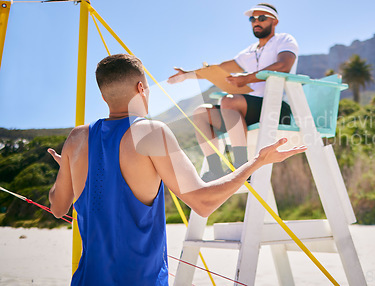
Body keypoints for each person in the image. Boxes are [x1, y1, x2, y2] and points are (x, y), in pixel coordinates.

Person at [47, 54, 306, 286]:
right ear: (141, 88)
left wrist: (67, 171)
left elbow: (58, 208)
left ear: (104, 96)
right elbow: (203, 202)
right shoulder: (150, 132)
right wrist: (257, 161)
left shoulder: (77, 138)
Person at [168, 3, 299, 182]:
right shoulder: (250, 51)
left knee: (228, 101)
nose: (256, 22)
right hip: (242, 110)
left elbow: (284, 65)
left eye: (261, 18)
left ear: (274, 21)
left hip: (275, 108)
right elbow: (220, 68)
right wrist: (187, 75)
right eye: (252, 19)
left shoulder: (284, 40)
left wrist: (247, 78)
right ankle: (215, 170)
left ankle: (242, 167)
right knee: (201, 113)